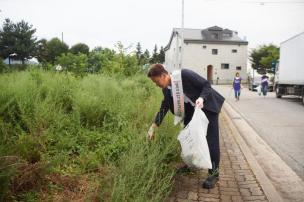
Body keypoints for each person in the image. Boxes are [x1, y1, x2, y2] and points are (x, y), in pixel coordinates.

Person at [147, 64, 225, 189]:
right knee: (189, 139)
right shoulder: (166, 89)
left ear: (163, 75)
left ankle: (214, 174)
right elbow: (164, 106)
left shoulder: (184, 75)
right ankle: (191, 165)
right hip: (192, 112)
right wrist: (154, 126)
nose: (156, 85)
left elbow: (206, 85)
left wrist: (201, 98)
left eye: (156, 81)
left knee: (211, 141)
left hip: (208, 107)